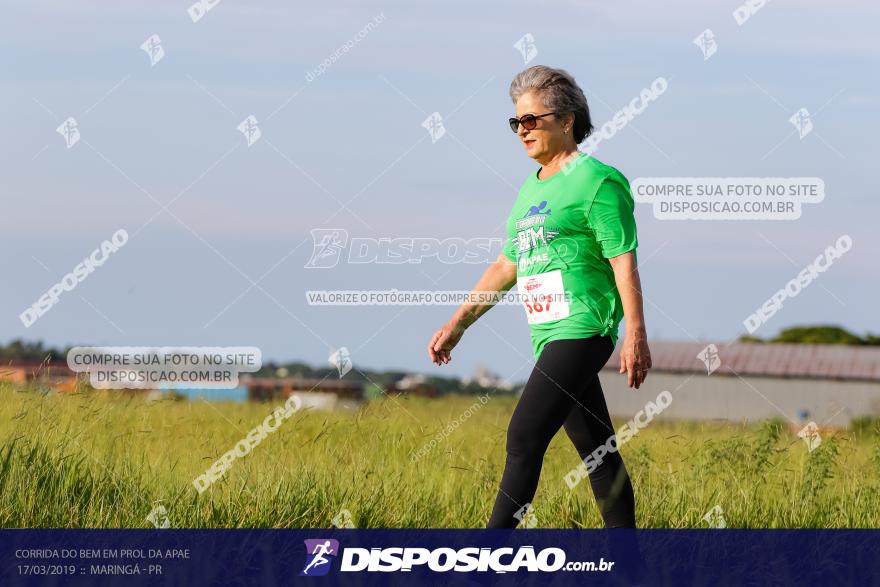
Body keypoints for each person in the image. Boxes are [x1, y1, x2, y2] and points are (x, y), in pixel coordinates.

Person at [427, 65, 652, 529]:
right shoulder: (533, 186)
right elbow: (506, 266)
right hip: (548, 335)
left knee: (524, 436)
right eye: (516, 122)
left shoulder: (599, 181)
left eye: (532, 119)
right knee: (599, 453)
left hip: (584, 327)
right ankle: (632, 567)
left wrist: (635, 333)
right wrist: (458, 323)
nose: (522, 130)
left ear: (567, 120)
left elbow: (623, 260)